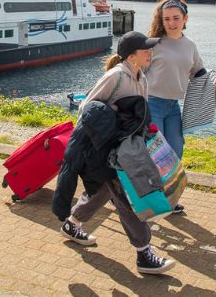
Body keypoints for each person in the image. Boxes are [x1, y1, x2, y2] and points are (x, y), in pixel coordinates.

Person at [59, 31, 176, 275]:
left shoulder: (140, 77)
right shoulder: (116, 76)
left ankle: (72, 224)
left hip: (125, 146)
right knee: (126, 199)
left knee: (103, 190)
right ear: (132, 56)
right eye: (146, 50)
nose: (150, 53)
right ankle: (144, 254)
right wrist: (109, 128)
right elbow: (86, 108)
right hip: (106, 149)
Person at [145, 0, 216, 213]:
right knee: (155, 153)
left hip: (172, 106)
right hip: (151, 104)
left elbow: (198, 73)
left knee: (175, 151)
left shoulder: (190, 46)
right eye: (167, 18)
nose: (171, 22)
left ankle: (166, 197)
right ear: (161, 20)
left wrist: (215, 80)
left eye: (176, 18)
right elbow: (136, 71)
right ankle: (151, 199)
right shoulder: (153, 44)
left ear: (185, 19)